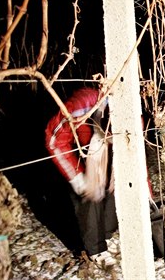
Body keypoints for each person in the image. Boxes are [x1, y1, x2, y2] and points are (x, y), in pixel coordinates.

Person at [44, 87, 119, 269]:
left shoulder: (128, 106)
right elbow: (54, 140)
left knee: (114, 186)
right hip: (80, 157)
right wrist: (77, 177)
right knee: (89, 195)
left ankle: (107, 236)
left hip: (106, 154)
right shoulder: (82, 103)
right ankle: (95, 248)